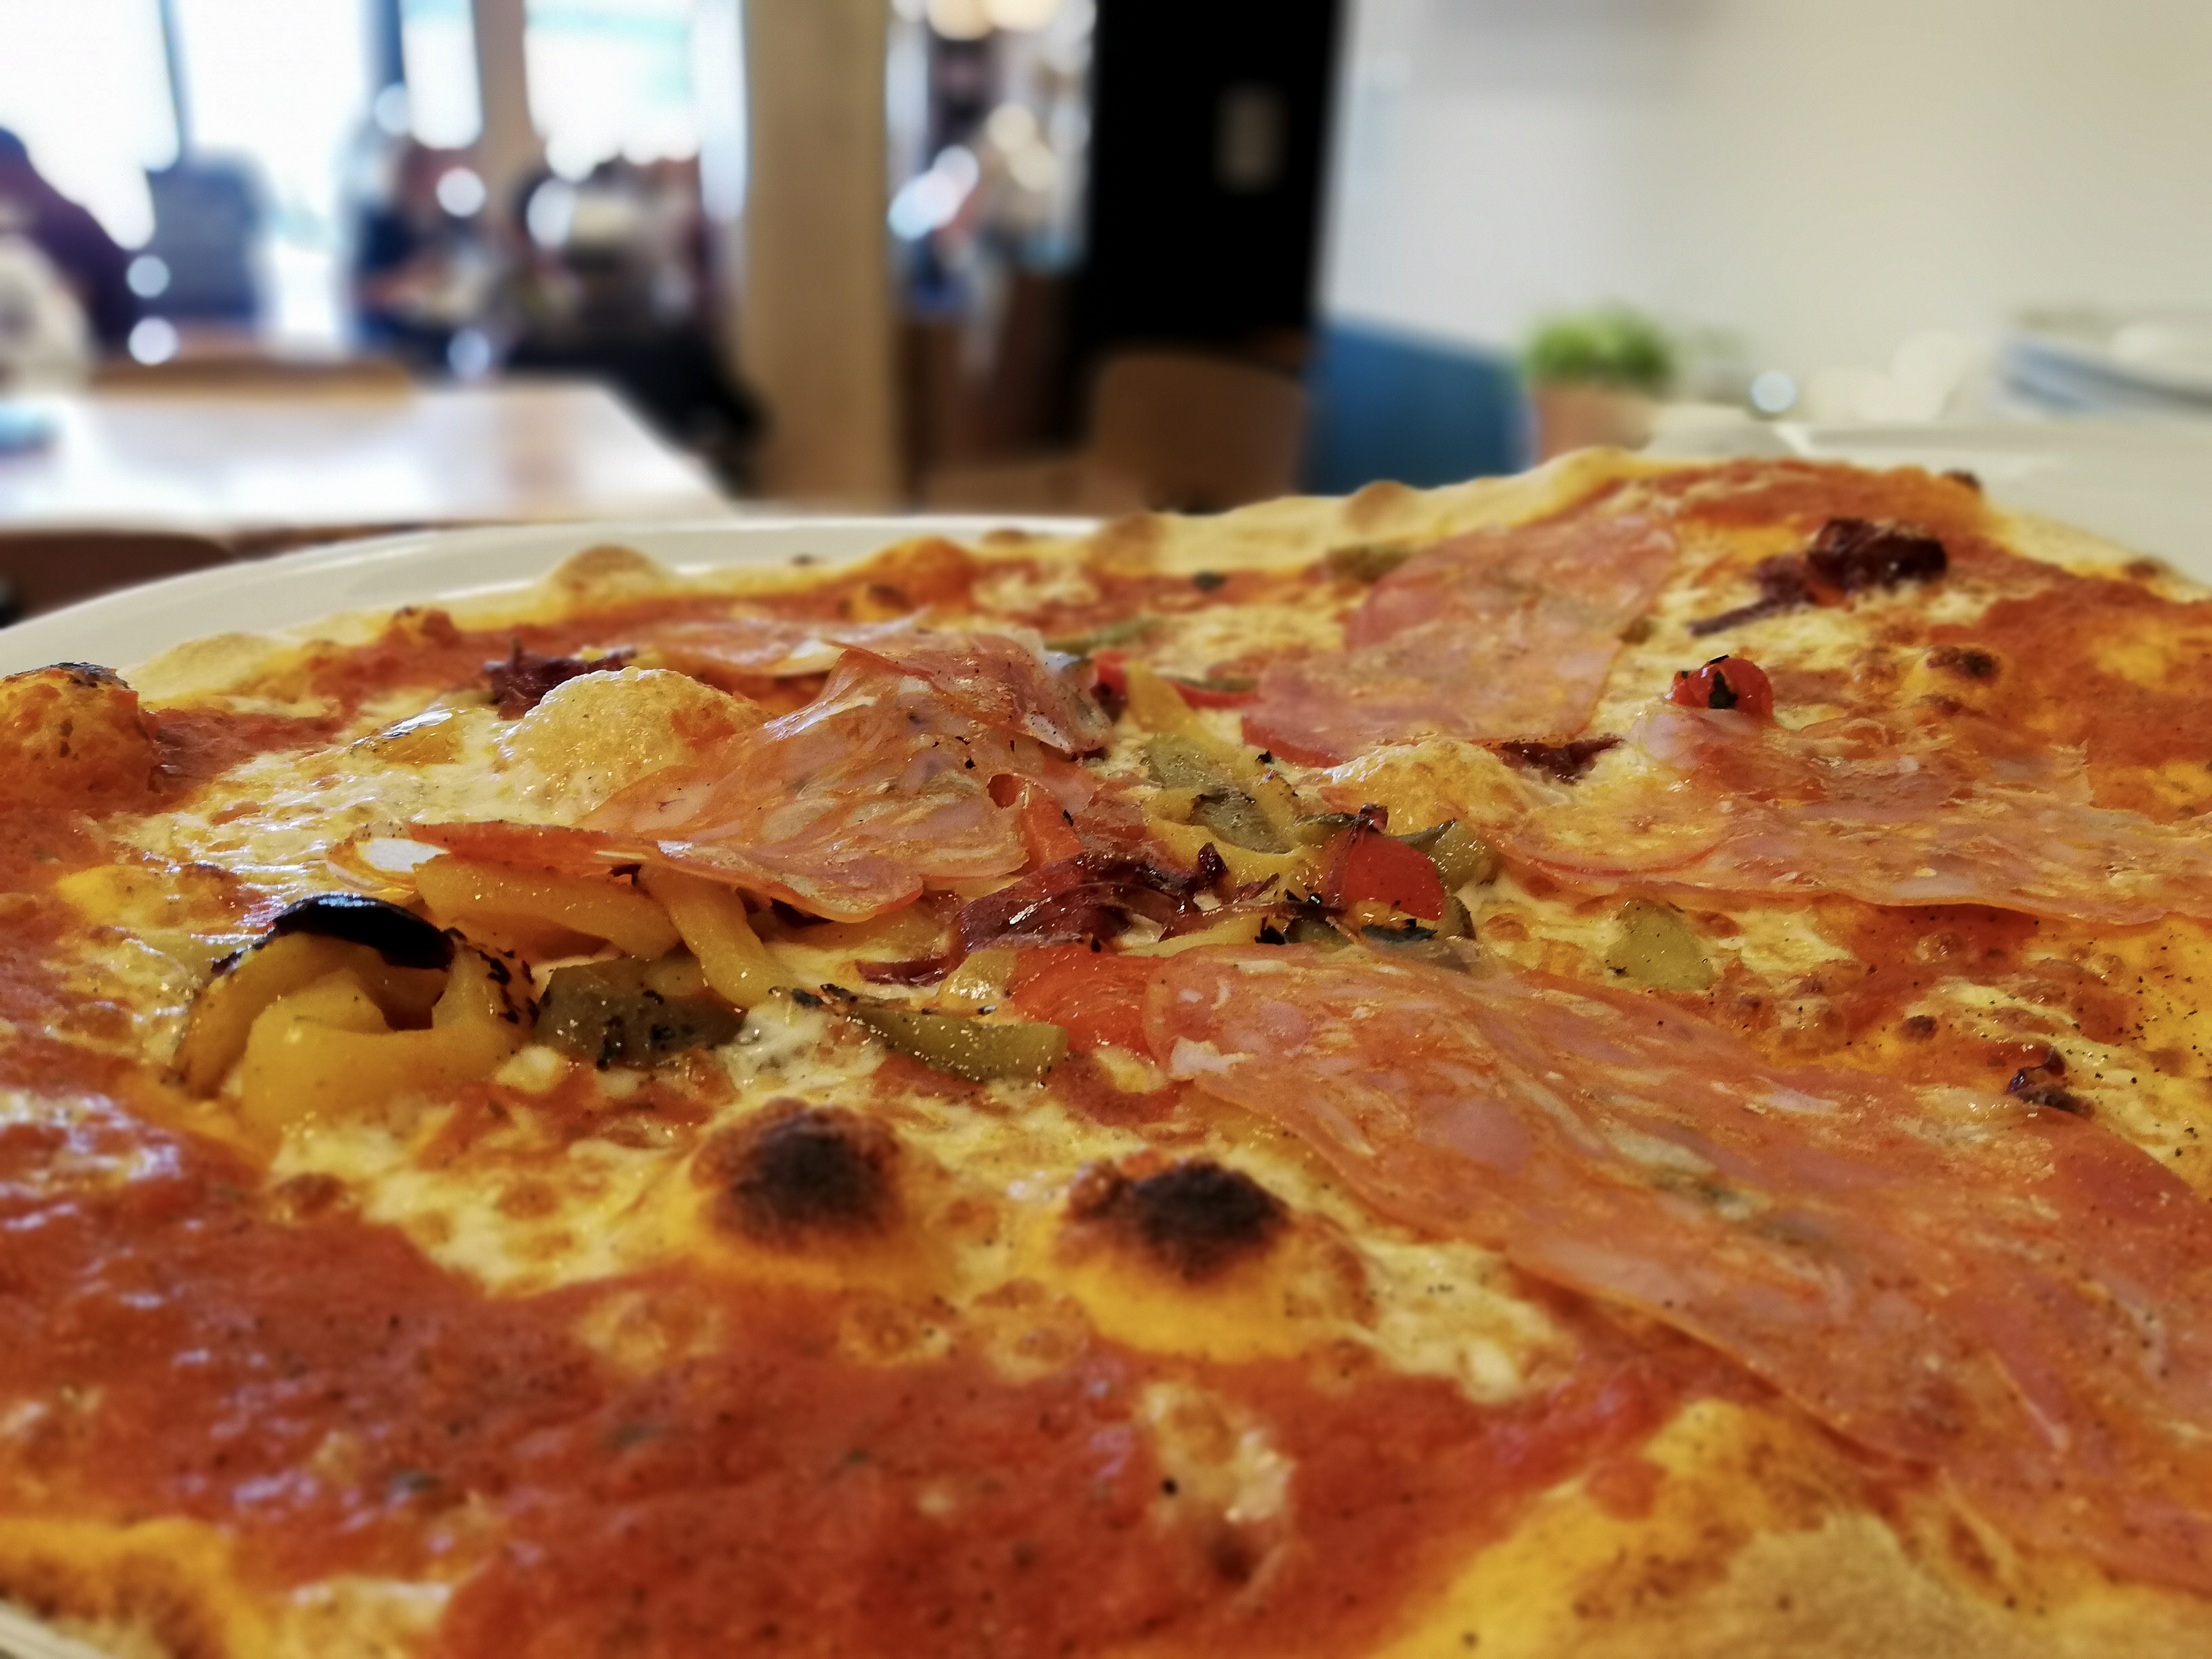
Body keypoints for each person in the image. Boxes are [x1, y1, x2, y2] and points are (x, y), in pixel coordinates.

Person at [0, 128, 138, 350]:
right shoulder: (22, 218)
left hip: (92, 354)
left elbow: (98, 297)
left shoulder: (67, 220)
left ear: (14, 169)